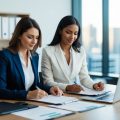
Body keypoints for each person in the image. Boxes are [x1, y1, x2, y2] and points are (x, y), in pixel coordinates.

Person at [0, 17, 63, 100]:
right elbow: (1, 91)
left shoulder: (34, 56)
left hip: (29, 104)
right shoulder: (5, 56)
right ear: (19, 35)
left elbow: (35, 84)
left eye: (37, 37)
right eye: (30, 37)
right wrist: (27, 94)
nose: (34, 41)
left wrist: (50, 89)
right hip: (11, 105)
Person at [41, 15, 104, 92]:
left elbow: (84, 77)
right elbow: (47, 82)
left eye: (75, 33)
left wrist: (94, 85)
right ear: (60, 31)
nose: (72, 37)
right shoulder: (47, 51)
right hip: (56, 95)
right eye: (68, 32)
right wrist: (67, 87)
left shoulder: (80, 51)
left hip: (75, 95)